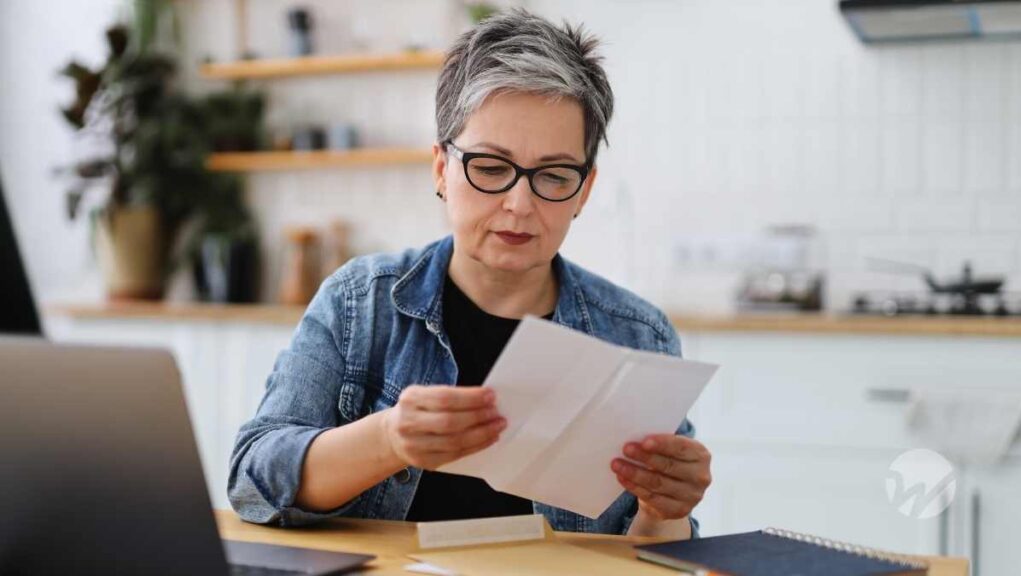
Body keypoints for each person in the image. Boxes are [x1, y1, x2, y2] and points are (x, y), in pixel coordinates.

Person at [228, 8, 711, 538]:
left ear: (585, 190)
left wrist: (667, 512)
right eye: (490, 167)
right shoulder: (359, 304)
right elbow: (254, 479)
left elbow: (654, 555)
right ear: (442, 168)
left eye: (553, 175)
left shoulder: (638, 336)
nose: (519, 203)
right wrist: (388, 440)